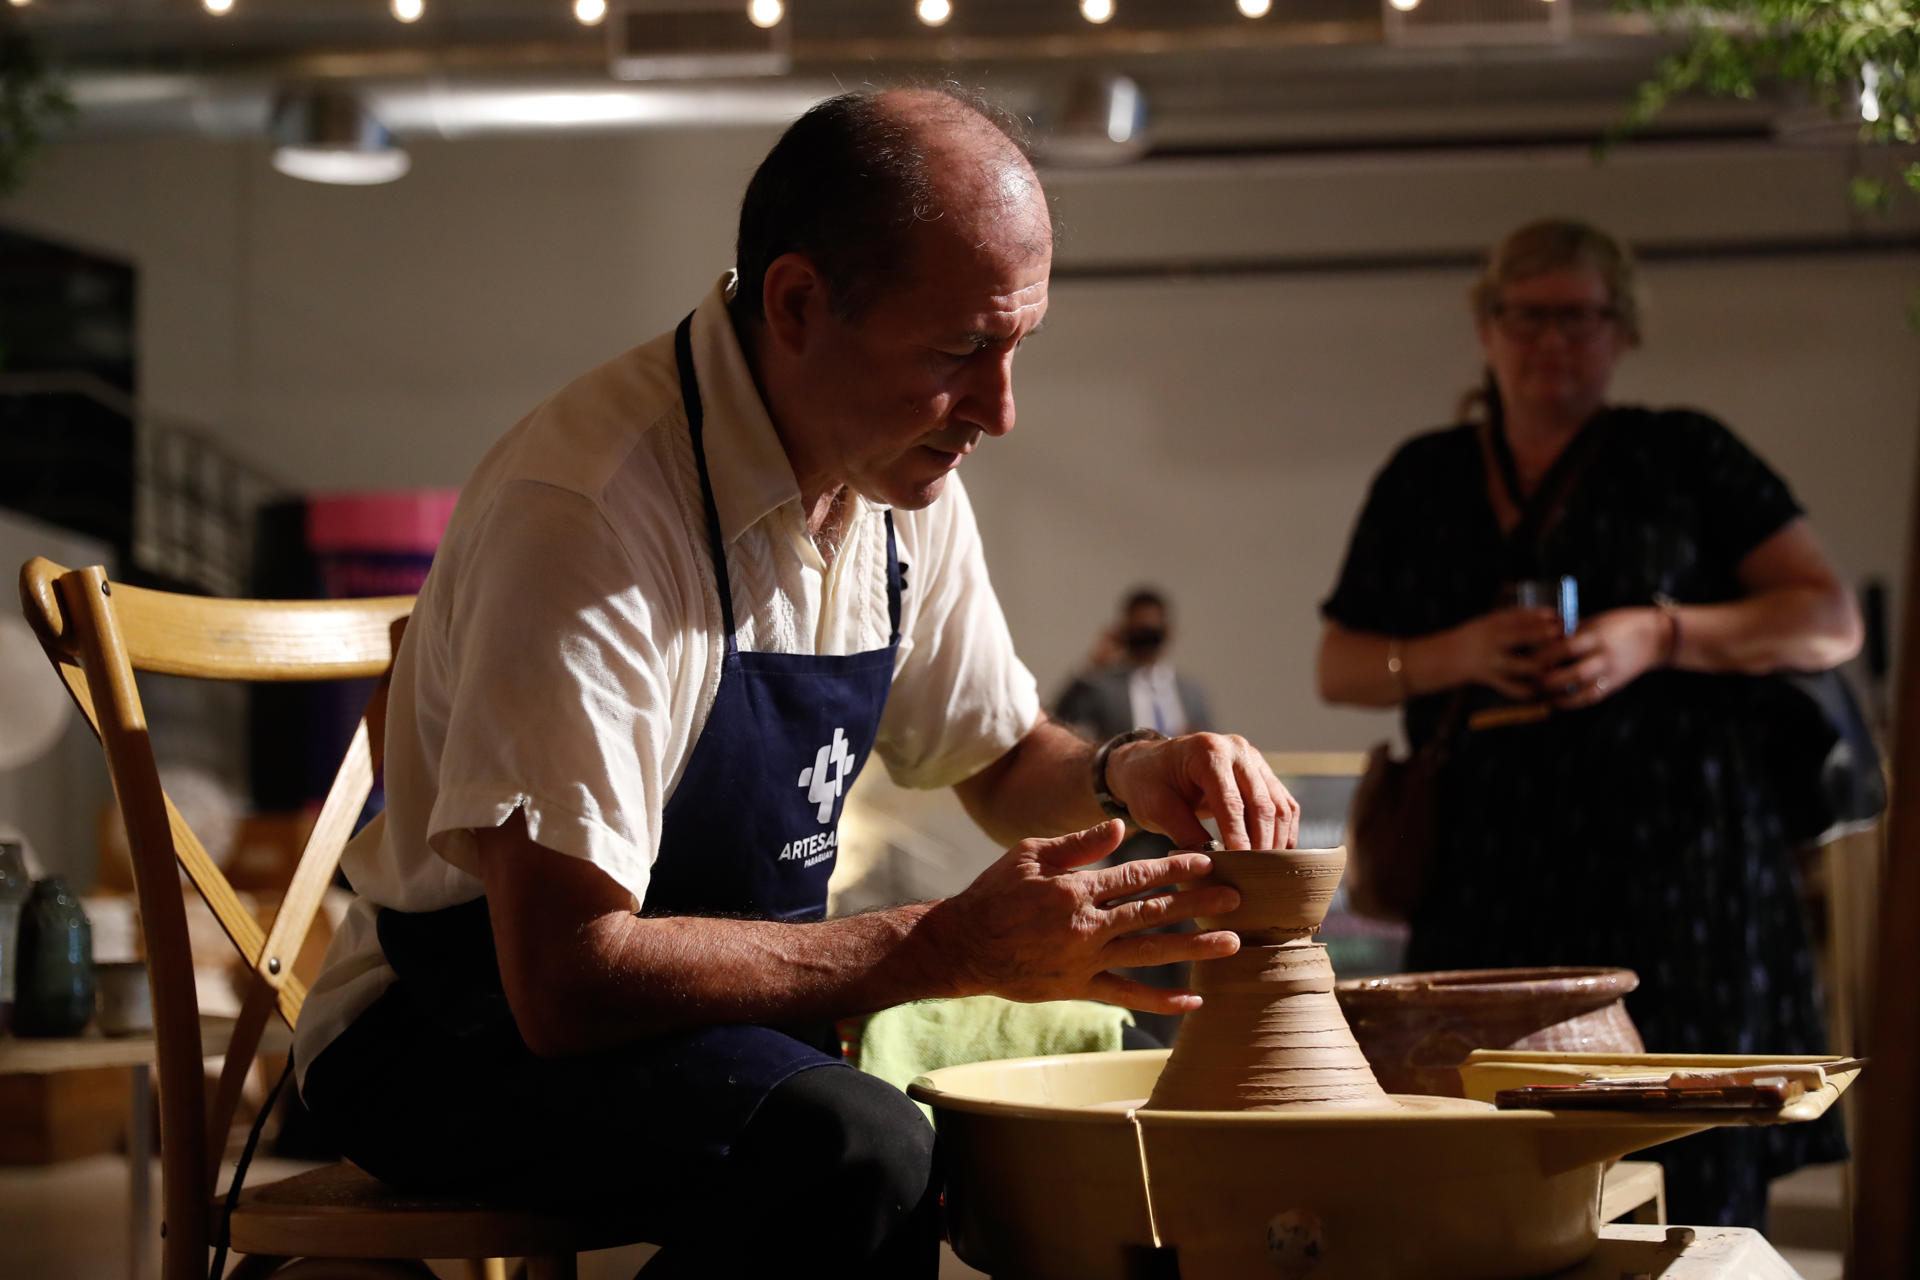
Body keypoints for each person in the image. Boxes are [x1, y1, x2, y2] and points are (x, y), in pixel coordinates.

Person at [292, 86, 1299, 1279]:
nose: (1003, 408)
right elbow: (565, 980)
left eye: (1019, 343)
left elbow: (999, 758)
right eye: (962, 349)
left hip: (709, 1018)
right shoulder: (591, 514)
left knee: (1074, 1090)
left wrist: (1132, 771)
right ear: (798, 302)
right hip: (454, 1032)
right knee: (859, 1148)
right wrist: (942, 943)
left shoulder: (900, 476)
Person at [1315, 217, 1860, 1228]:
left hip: (1684, 876)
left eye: (1580, 318)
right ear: (1488, 327)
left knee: (1696, 1165)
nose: (1552, 341)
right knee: (1481, 1160)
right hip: (1490, 871)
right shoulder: (1425, 475)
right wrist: (1456, 653)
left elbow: (1830, 618)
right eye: (1528, 316)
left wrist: (1658, 635)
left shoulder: (1683, 452)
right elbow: (1340, 661)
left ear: (1623, 333)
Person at [1054, 587, 1217, 1043]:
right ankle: (1140, 1041)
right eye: (1138, 629)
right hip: (1130, 836)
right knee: (1137, 942)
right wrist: (1091, 666)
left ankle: (1189, 1040)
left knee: (1189, 942)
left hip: (1184, 838)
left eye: (1154, 629)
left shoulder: (1189, 690)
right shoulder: (1104, 686)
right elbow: (1056, 720)